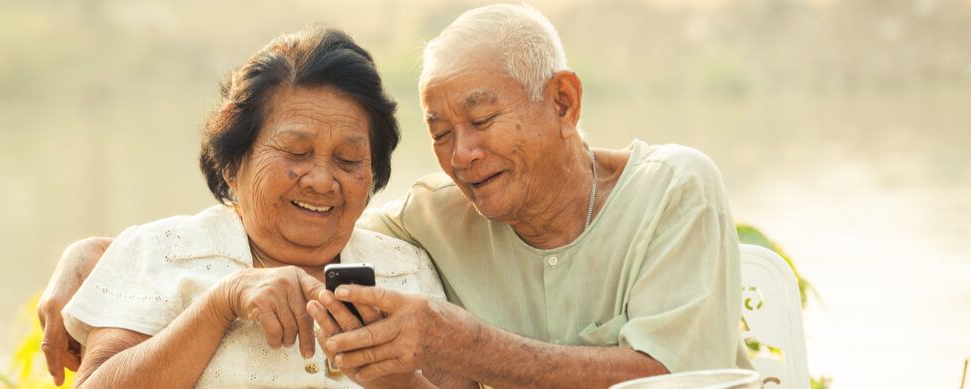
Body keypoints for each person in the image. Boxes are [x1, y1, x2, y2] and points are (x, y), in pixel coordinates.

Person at [39, 4, 750, 388]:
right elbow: (273, 230)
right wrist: (102, 258)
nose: (463, 154)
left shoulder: (670, 189)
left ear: (563, 101)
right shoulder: (437, 218)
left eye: (351, 159)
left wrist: (433, 357)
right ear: (231, 163)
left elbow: (676, 383)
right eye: (441, 131)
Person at [50, 27, 462, 388]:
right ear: (232, 163)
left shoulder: (409, 271)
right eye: (297, 152)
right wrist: (220, 303)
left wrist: (397, 382)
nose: (321, 180)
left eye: (349, 159)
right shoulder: (157, 252)